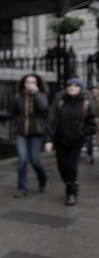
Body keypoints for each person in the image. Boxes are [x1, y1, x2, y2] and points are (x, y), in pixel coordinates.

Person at [0, 74, 50, 198]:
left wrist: (36, 94)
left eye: (33, 82)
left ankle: (43, 178)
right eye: (28, 82)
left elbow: (44, 107)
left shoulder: (41, 96)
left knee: (35, 160)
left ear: (37, 84)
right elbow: (12, 113)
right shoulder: (18, 97)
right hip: (20, 133)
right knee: (22, 159)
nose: (30, 84)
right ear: (24, 83)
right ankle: (22, 188)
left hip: (36, 133)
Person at [45, 77, 97, 206]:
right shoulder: (60, 100)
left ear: (80, 88)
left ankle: (71, 193)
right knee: (62, 167)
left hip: (76, 141)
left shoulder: (85, 102)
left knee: (71, 166)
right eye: (69, 85)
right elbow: (52, 120)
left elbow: (91, 124)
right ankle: (70, 184)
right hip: (60, 139)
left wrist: (81, 133)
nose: (72, 87)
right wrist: (49, 139)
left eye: (75, 85)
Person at [83, 86, 99, 164]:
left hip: (96, 122)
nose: (94, 93)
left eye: (96, 91)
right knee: (89, 140)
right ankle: (90, 156)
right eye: (93, 92)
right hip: (91, 123)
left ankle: (90, 156)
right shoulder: (89, 99)